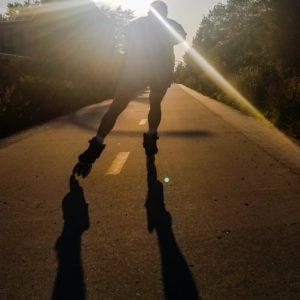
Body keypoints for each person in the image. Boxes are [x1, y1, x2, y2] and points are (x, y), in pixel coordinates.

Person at [73, 1, 186, 178]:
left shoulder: (138, 25)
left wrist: (121, 71)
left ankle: (97, 144)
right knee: (154, 104)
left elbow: (128, 47)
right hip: (156, 71)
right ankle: (150, 138)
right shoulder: (171, 26)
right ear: (162, 13)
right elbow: (180, 37)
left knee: (117, 107)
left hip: (138, 70)